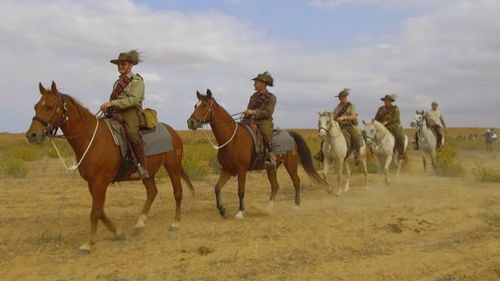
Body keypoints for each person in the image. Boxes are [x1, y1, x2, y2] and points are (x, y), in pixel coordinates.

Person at [100, 50, 149, 179]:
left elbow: (133, 100)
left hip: (131, 111)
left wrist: (113, 103)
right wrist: (109, 106)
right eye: (119, 64)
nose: (121, 66)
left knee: (132, 132)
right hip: (117, 111)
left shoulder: (137, 81)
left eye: (124, 64)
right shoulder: (117, 82)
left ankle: (142, 167)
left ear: (130, 65)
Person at [316, 88, 362, 165]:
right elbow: (333, 115)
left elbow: (353, 116)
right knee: (325, 137)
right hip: (338, 126)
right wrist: (328, 115)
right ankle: (321, 154)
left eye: (343, 97)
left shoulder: (351, 106)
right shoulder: (338, 107)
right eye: (340, 97)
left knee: (356, 137)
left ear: (346, 97)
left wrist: (345, 117)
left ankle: (357, 155)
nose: (341, 98)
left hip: (348, 125)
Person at [244, 71, 277, 168]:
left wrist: (253, 112)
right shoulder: (253, 96)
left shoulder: (271, 97)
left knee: (266, 133)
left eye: (256, 82)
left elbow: (268, 113)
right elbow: (249, 109)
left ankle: (271, 155)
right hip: (251, 120)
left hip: (264, 121)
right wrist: (248, 114)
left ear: (263, 84)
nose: (254, 84)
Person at [374, 94, 406, 159]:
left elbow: (396, 118)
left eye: (387, 100)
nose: (386, 102)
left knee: (400, 136)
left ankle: (401, 153)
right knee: (372, 135)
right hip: (382, 126)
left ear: (391, 101)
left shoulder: (395, 108)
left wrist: (387, 122)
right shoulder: (380, 109)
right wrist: (378, 124)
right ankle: (372, 150)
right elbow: (376, 119)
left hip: (393, 126)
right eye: (385, 100)